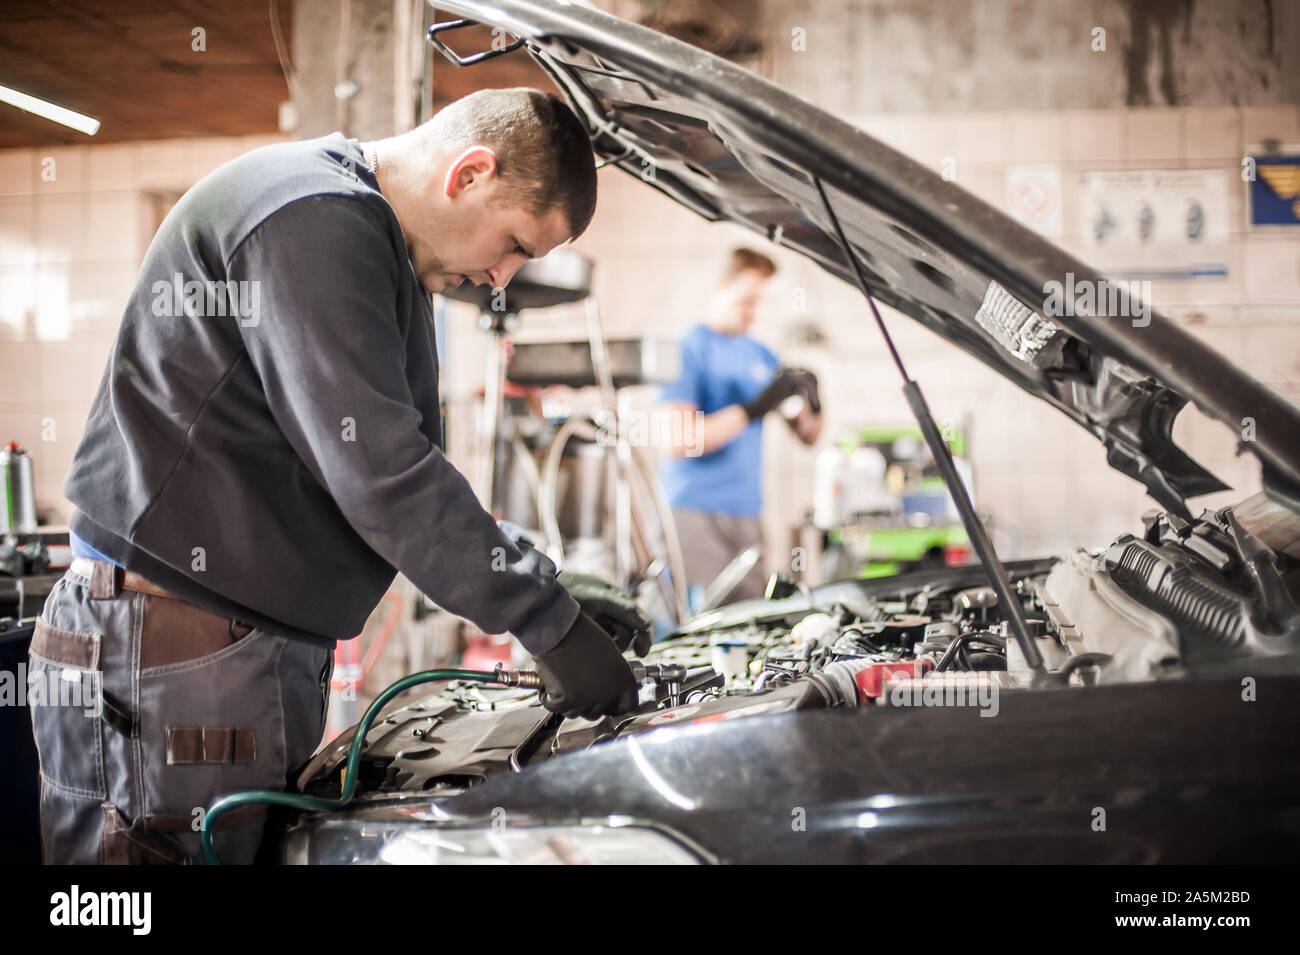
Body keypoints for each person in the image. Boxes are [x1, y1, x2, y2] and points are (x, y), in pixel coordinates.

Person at [30, 88, 647, 865]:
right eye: (516, 242)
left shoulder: (383, 254)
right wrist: (545, 618)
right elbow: (382, 475)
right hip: (164, 649)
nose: (501, 275)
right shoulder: (310, 217)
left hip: (234, 650)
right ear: (471, 173)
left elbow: (405, 466)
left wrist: (540, 577)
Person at [658, 248, 823, 606]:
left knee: (749, 620)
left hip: (747, 512)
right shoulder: (689, 348)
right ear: (724, 285)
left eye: (759, 303)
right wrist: (751, 410)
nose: (752, 312)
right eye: (746, 300)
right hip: (694, 511)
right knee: (700, 625)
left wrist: (814, 397)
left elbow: (808, 436)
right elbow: (680, 439)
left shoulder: (762, 355)